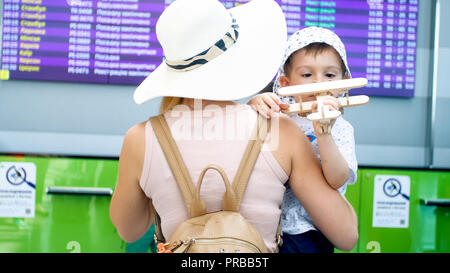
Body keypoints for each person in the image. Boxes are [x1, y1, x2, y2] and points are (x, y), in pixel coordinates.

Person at [109, 0, 358, 253]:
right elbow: (346, 237)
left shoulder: (139, 140)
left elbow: (129, 230)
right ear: (236, 54)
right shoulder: (280, 130)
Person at [248, 26, 358, 253]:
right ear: (287, 83)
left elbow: (337, 180)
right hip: (264, 230)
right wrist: (255, 106)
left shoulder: (342, 129)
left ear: (344, 81)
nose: (319, 83)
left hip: (312, 233)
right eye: (307, 75)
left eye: (329, 75)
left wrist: (324, 133)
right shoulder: (278, 116)